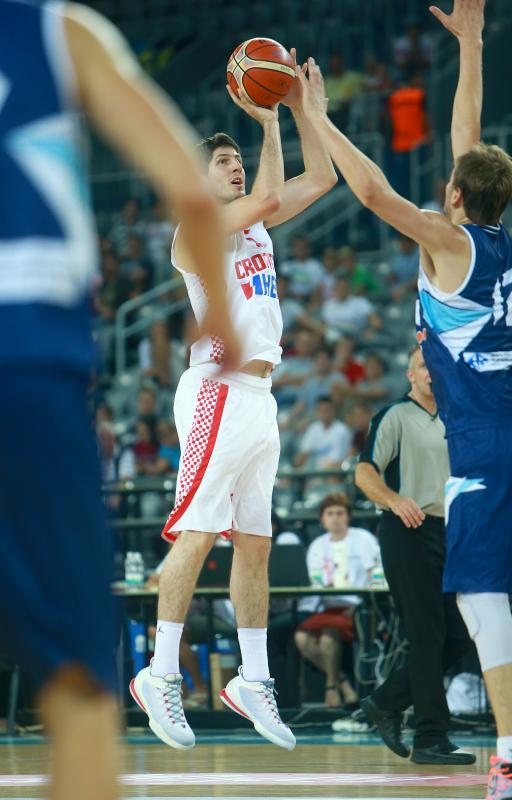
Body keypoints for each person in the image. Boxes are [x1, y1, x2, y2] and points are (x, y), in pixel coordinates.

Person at [0, 1, 239, 798]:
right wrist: (215, 325)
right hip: (28, 363)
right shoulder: (59, 31)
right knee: (78, 688)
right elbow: (193, 196)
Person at [299, 2, 512, 794]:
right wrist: (473, 45)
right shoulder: (493, 241)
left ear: (455, 197)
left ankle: (508, 755)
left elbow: (375, 191)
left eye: (450, 182)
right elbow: (470, 137)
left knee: (484, 604)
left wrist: (318, 119)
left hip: (483, 444)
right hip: (499, 421)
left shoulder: (447, 240)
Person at [129, 49, 338, 752]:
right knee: (196, 531)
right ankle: (157, 673)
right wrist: (272, 115)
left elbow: (322, 178)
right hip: (217, 388)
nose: (235, 167)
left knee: (254, 545)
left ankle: (252, 678)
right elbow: (275, 197)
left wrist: (285, 121)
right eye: (223, 163)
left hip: (260, 397)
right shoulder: (197, 229)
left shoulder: (253, 225)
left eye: (236, 161)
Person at [355, 346, 474, 764]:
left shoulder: (457, 416)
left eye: (436, 365)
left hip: (451, 532)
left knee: (460, 635)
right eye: (424, 364)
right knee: (427, 634)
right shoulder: (395, 416)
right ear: (410, 374)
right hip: (408, 529)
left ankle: (386, 701)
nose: (431, 371)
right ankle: (430, 737)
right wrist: (392, 499)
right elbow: (364, 470)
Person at [294, 492, 379, 708]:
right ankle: (342, 684)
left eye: (340, 513)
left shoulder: (364, 539)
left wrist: (362, 603)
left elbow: (376, 576)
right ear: (322, 519)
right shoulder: (317, 545)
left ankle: (331, 689)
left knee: (328, 637)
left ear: (348, 516)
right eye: (330, 513)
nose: (335, 518)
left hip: (358, 608)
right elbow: (314, 582)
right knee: (302, 638)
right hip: (326, 607)